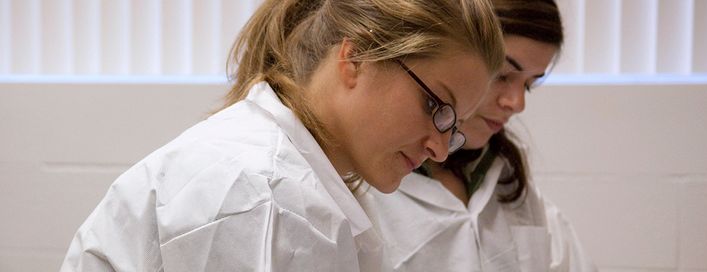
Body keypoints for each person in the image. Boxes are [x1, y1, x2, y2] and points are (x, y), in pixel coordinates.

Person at [59, 0, 506, 271]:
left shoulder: (285, 178)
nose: (439, 148)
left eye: (453, 128)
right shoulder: (263, 195)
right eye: (436, 107)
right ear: (358, 57)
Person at [357, 0, 598, 271]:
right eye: (503, 76)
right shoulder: (361, 186)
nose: (517, 103)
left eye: (529, 85)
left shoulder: (510, 183)